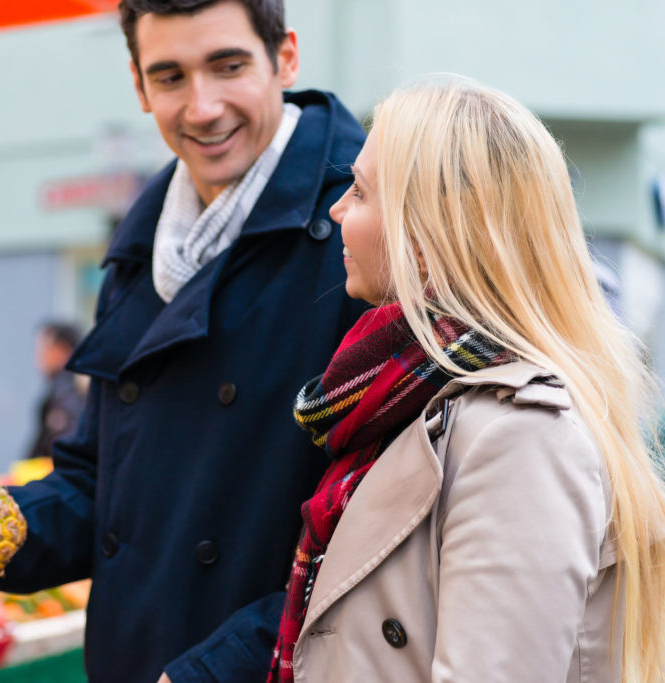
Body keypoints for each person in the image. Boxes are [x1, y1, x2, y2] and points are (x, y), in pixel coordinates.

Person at [0, 1, 367, 680]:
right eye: (170, 77)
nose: (203, 107)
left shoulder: (358, 228)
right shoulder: (143, 245)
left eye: (228, 66)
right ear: (138, 85)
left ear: (286, 57)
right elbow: (96, 490)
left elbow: (374, 543)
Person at [269, 77, 665, 682]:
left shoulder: (520, 436)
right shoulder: (410, 399)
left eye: (361, 191)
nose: (337, 209)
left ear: (424, 236)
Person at [26, 321, 86, 460]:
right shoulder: (70, 387)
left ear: (61, 350)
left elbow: (65, 452)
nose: (38, 357)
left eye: (43, 349)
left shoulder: (68, 392)